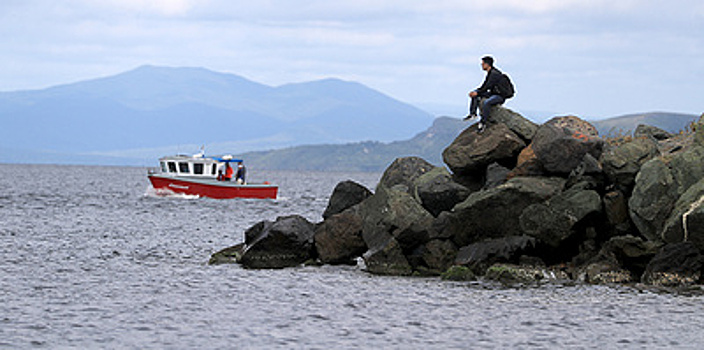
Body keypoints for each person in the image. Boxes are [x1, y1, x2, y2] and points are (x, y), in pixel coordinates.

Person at [464, 56, 514, 133]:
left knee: (487, 102)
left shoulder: (494, 74)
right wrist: (477, 92)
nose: (482, 65)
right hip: (493, 94)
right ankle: (473, 114)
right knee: (476, 93)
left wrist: (478, 92)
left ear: (487, 64)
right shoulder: (490, 73)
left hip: (500, 96)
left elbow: (488, 86)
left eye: (483, 64)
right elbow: (484, 85)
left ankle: (483, 123)